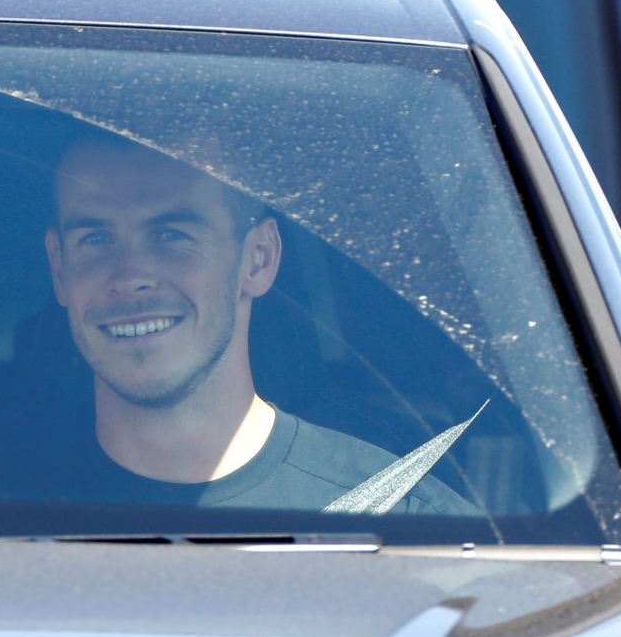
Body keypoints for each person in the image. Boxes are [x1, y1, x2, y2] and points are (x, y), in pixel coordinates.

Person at [39, 135, 478, 514]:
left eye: (171, 235)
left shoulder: (405, 521)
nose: (130, 277)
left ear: (259, 258)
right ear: (59, 268)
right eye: (95, 239)